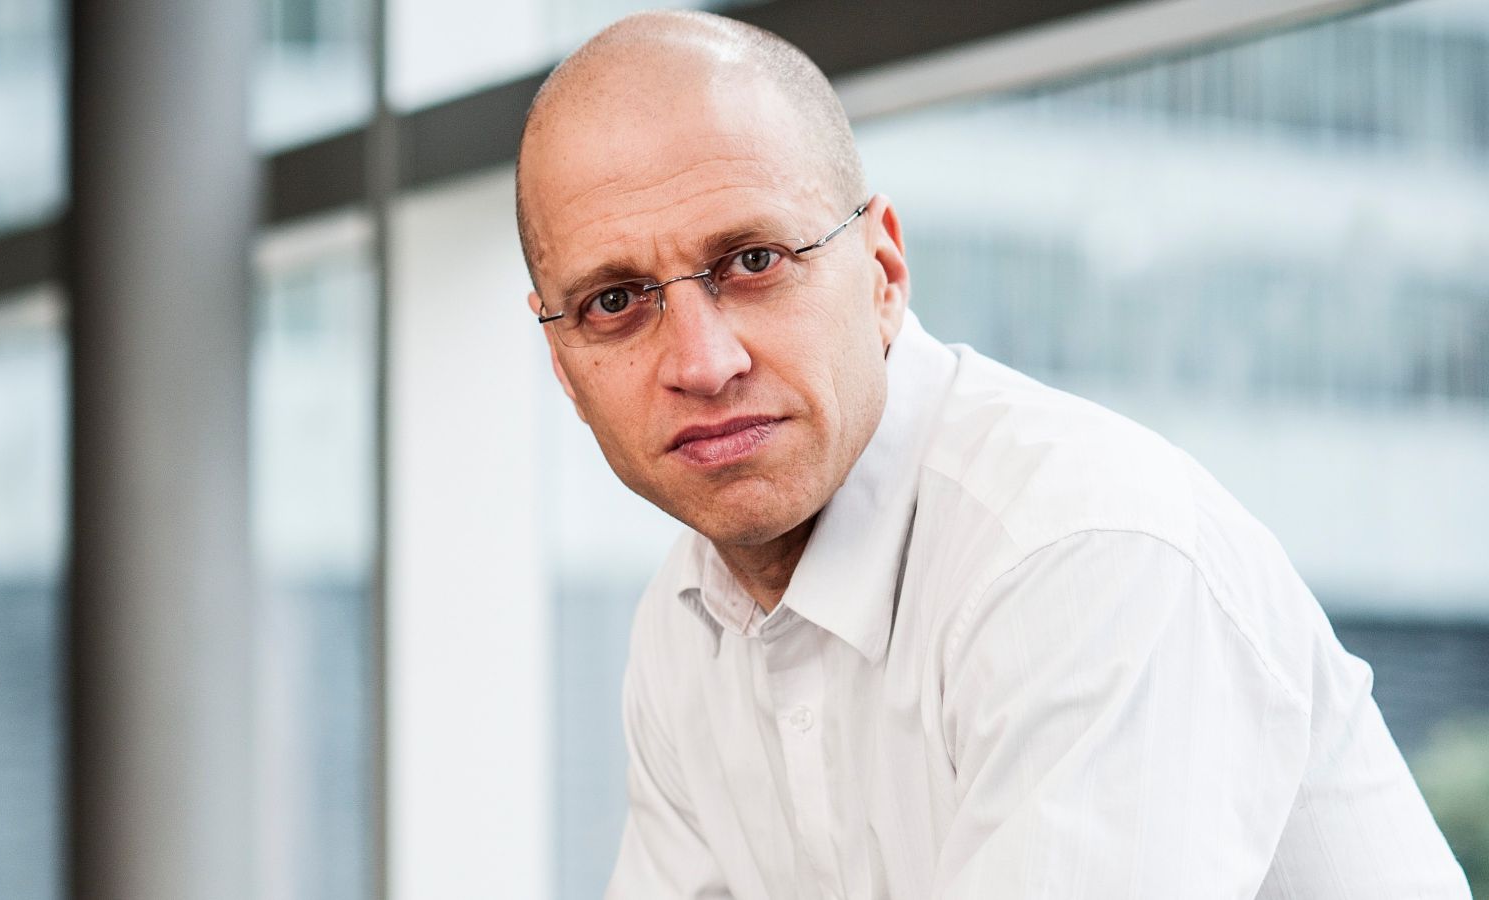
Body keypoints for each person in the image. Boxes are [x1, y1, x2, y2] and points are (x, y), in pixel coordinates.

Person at [515, 10, 1469, 899]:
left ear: (882, 273)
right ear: (565, 365)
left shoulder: (1082, 550)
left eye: (755, 261)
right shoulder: (686, 628)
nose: (703, 362)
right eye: (615, 302)